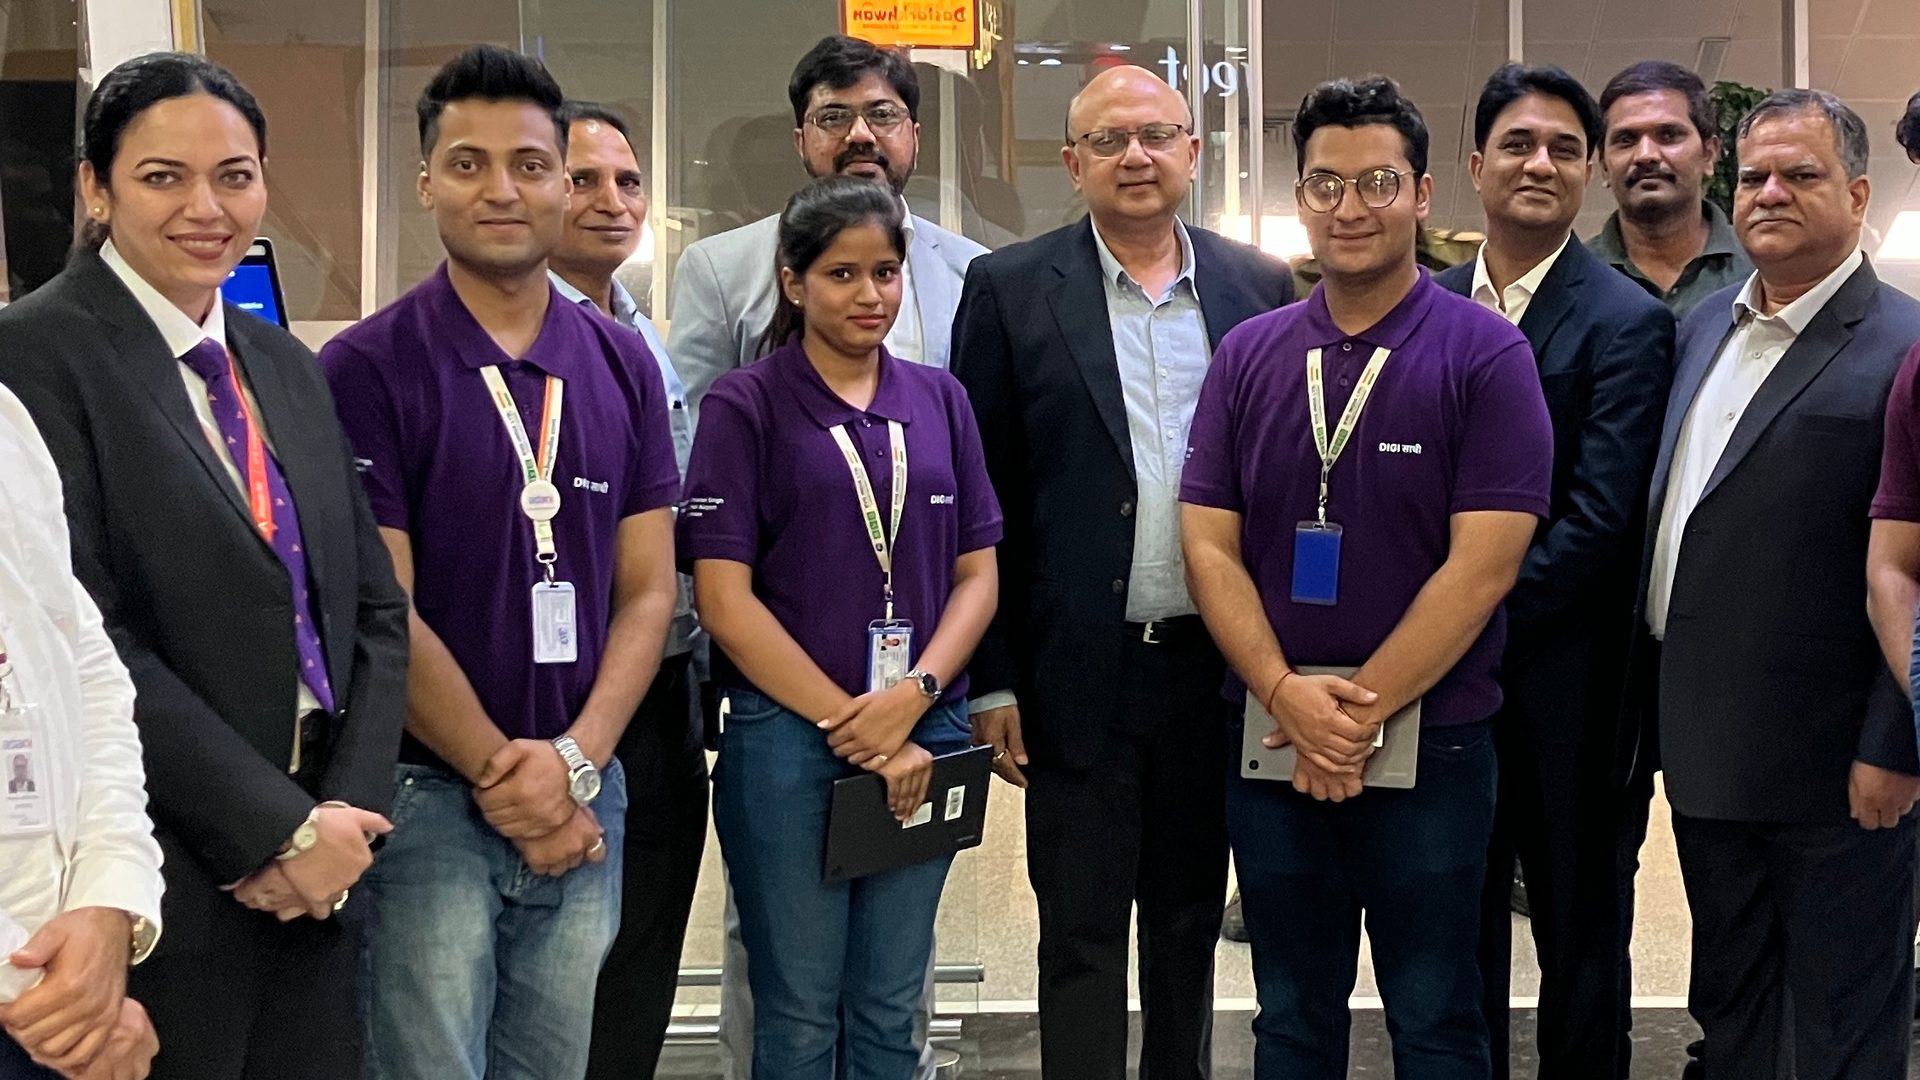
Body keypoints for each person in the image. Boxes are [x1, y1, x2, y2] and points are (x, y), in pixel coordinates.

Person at [0, 52, 409, 1080]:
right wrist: (271, 830)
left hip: (326, 868)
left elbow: (370, 610)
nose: (206, 207)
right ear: (95, 187)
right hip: (166, 870)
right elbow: (89, 640)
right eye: (162, 176)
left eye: (234, 175)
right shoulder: (37, 356)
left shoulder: (281, 363)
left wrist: (344, 821)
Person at [319, 46, 680, 1080]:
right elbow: (383, 603)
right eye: (467, 164)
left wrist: (572, 766)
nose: (501, 189)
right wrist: (502, 776)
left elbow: (649, 588)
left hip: (585, 785)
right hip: (429, 798)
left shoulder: (620, 364)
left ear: (563, 182)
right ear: (426, 180)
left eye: (530, 164)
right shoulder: (365, 366)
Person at [1181, 74, 1552, 1079]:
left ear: (1426, 195)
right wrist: (1286, 695)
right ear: (1299, 197)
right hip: (1267, 735)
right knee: (1290, 1017)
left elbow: (1483, 569)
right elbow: (1207, 544)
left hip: (1435, 742)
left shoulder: (1488, 354)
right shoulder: (1249, 355)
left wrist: (1350, 717)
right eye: (1325, 184)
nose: (1351, 207)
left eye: (1379, 181)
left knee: (1436, 1012)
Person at [950, 64, 1292, 1080]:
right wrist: (993, 675)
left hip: (1213, 671)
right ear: (1072, 163)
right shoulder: (1009, 288)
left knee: (1189, 927)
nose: (1135, 156)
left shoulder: (1256, 287)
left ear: (1193, 151)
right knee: (1082, 935)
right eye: (1108, 140)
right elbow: (984, 497)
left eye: (1155, 135)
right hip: (1074, 672)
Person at [668, 36, 983, 1079]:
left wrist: (917, 698)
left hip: (923, 721)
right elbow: (724, 592)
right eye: (842, 275)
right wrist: (851, 723)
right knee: (798, 1012)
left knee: (894, 1005)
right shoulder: (745, 405)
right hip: (790, 737)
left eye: (885, 274)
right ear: (792, 283)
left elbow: (980, 565)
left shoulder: (940, 397)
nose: (870, 295)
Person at [1635, 88, 1920, 1080]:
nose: (1767, 193)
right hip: (1711, 761)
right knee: (1733, 1006)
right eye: (1751, 175)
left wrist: (1898, 739)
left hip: (1843, 772)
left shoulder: (1905, 348)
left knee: (1844, 1026)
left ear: (1857, 193)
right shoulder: (1700, 329)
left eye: (1799, 175)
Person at [1433, 64, 1675, 1079]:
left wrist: (1457, 619)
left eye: (1566, 151)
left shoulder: (1627, 321)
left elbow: (1598, 524)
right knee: (1452, 929)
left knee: (1581, 939)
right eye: (1521, 146)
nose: (1542, 164)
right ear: (1476, 165)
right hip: (1438, 695)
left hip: (1571, 694)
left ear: (1587, 177)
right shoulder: (1422, 308)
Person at [544, 100, 709, 1080]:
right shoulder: (517, 339)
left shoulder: (646, 335)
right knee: (560, 971)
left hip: (667, 680)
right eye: (581, 178)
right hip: (563, 694)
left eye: (628, 180)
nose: (612, 200)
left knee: (642, 954)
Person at [670, 34, 987, 417]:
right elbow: (689, 429)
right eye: (834, 117)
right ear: (801, 142)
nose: (860, 135)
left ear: (916, 138)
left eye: (883, 115)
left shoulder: (973, 270)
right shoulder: (717, 269)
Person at [0, 387, 163, 1080]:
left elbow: (85, 667)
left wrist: (110, 897)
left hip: (62, 962)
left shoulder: (6, 416)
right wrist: (42, 994)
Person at [1588, 61, 1754, 316]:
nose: (1645, 155)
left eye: (1668, 135)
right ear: (1604, 167)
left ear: (1709, 155)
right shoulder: (1573, 278)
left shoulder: (1761, 266)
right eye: (1626, 140)